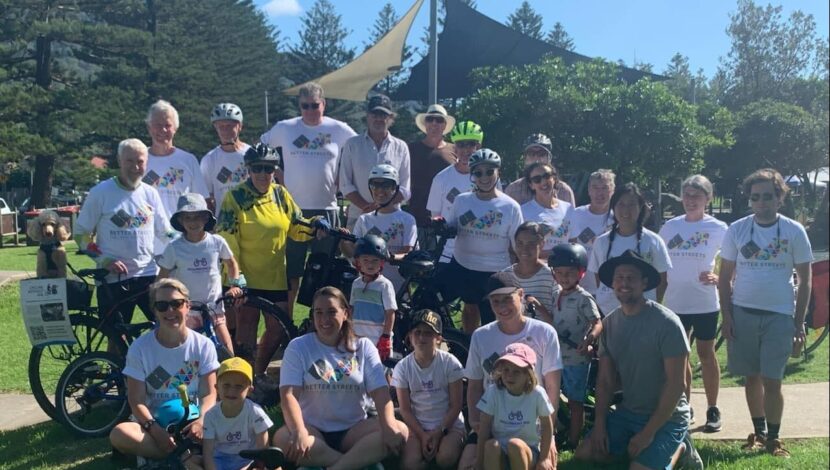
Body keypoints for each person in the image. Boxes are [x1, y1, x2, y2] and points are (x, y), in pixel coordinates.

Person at [574, 250, 702, 470]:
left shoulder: (667, 323)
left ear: (644, 283)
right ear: (612, 283)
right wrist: (600, 425)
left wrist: (648, 433)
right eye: (619, 278)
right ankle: (641, 453)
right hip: (629, 412)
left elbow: (677, 384)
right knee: (584, 454)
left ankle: (681, 449)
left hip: (668, 417)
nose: (624, 283)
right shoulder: (610, 324)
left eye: (631, 278)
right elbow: (605, 381)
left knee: (639, 469)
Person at [718, 168, 813, 457]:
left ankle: (774, 438)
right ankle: (758, 433)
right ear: (749, 199)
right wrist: (727, 316)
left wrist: (799, 323)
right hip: (743, 313)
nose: (761, 203)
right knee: (751, 377)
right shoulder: (737, 230)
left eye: (768, 197)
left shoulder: (794, 231)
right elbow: (725, 278)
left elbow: (805, 280)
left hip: (780, 315)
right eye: (755, 197)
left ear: (779, 198)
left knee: (773, 380)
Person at [272, 286, 408, 469]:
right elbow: (288, 395)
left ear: (346, 313)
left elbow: (381, 393)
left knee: (400, 430)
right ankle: (355, 461)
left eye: (331, 312)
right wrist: (299, 431)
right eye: (319, 312)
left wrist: (389, 425)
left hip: (353, 431)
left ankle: (335, 466)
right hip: (312, 430)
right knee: (282, 438)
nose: (324, 319)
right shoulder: (298, 347)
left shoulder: (363, 346)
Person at [215, 143, 316, 375]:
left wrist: (315, 226)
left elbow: (297, 226)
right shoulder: (236, 197)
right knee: (247, 327)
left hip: (274, 275)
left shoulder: (280, 194)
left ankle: (258, 373)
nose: (263, 174)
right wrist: (236, 276)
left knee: (278, 328)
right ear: (248, 169)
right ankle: (244, 378)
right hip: (245, 276)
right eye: (257, 168)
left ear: (274, 170)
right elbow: (227, 238)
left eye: (268, 168)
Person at [259, 82, 357, 318]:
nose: (310, 111)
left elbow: (358, 149)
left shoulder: (339, 129)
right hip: (293, 211)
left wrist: (343, 178)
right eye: (305, 106)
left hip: (327, 209)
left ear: (324, 104)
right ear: (299, 106)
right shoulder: (285, 128)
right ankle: (287, 322)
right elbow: (261, 148)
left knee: (325, 272)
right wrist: (277, 175)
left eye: (315, 105)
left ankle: (320, 322)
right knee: (291, 272)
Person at [110, 278, 220, 467]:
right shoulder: (140, 348)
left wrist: (201, 421)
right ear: (154, 311)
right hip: (155, 424)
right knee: (119, 434)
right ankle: (187, 458)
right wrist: (154, 430)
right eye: (162, 306)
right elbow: (136, 400)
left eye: (176, 304)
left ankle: (171, 457)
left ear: (187, 306)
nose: (170, 311)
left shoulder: (203, 345)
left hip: (193, 422)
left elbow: (209, 394)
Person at [458, 272, 562, 470]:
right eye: (495, 302)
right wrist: (475, 421)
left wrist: (549, 437)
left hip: (531, 422)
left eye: (507, 299)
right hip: (491, 420)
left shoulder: (545, 332)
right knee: (466, 466)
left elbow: (552, 387)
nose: (502, 307)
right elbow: (474, 385)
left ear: (520, 294)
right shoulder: (481, 335)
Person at [75, 138, 173, 325]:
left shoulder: (150, 193)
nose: (135, 167)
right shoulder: (100, 192)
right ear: (120, 161)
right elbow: (80, 234)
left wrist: (188, 241)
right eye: (129, 161)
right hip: (113, 278)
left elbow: (165, 231)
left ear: (146, 163)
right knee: (116, 336)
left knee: (165, 328)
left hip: (148, 275)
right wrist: (105, 260)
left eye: (140, 162)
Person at [659, 175, 728, 432]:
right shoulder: (670, 227)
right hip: (675, 302)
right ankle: (684, 406)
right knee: (680, 357)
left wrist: (720, 278)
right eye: (687, 195)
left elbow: (734, 261)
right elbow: (658, 260)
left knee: (706, 354)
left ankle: (713, 408)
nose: (690, 200)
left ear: (708, 199)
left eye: (696, 196)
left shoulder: (719, 228)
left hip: (705, 302)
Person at [443, 149, 523, 333]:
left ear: (498, 172)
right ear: (472, 175)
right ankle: (468, 344)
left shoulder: (511, 207)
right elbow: (450, 227)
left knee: (493, 316)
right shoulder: (461, 201)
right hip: (464, 265)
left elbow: (517, 245)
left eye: (489, 171)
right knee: (470, 308)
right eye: (478, 173)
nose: (484, 177)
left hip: (495, 269)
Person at [157, 193, 244, 355]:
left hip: (213, 307)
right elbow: (162, 277)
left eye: (197, 217)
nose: (193, 222)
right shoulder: (174, 247)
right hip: (185, 310)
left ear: (205, 218)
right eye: (188, 218)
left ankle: (229, 368)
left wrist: (235, 284)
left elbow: (231, 263)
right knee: (187, 352)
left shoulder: (217, 242)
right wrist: (166, 299)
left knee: (227, 350)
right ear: (180, 221)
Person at [393, 309, 466, 469]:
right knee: (410, 464)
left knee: (445, 458)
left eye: (428, 333)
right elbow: (405, 409)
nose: (421, 338)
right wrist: (422, 435)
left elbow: (456, 406)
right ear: (410, 336)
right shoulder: (402, 368)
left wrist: (439, 432)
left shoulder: (450, 363)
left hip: (449, 425)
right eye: (417, 332)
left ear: (438, 338)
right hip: (417, 426)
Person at [548, 243, 602, 450]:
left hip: (576, 358)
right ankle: (554, 435)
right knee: (553, 397)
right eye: (559, 272)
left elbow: (597, 323)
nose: (564, 277)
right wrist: (537, 306)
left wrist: (589, 340)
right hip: (557, 357)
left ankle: (573, 440)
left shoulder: (583, 298)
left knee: (575, 402)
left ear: (580, 273)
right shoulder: (556, 294)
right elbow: (552, 321)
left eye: (570, 273)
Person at [587, 183, 671, 315]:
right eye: (621, 204)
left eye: (631, 204)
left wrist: (653, 308)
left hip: (642, 313)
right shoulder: (601, 242)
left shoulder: (653, 241)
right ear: (613, 207)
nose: (626, 210)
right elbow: (600, 278)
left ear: (640, 207)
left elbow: (662, 281)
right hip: (608, 313)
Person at [476, 343, 555, 470]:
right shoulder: (493, 392)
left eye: (516, 371)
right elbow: (484, 427)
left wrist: (544, 459)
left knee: (515, 445)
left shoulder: (537, 393)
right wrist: (479, 463)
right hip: (501, 451)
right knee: (491, 445)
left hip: (528, 450)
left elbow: (546, 425)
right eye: (506, 370)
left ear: (528, 374)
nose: (509, 375)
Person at [144, 100, 209, 254]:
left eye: (168, 125)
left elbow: (201, 204)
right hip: (146, 246)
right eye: (157, 125)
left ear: (175, 128)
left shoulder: (188, 160)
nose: (163, 130)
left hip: (183, 246)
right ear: (149, 127)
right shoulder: (139, 160)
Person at [339, 94, 411, 230]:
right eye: (374, 114)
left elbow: (404, 189)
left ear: (390, 118)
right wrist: (367, 208)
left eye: (383, 115)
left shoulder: (401, 147)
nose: (378, 119)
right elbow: (345, 184)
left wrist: (382, 207)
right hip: (358, 217)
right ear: (367, 116)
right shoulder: (352, 145)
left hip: (392, 220)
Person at [342, 164, 417, 292]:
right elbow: (353, 253)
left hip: (397, 285)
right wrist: (343, 241)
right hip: (367, 285)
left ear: (395, 188)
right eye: (375, 185)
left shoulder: (407, 220)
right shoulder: (364, 219)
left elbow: (408, 252)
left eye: (386, 185)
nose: (380, 190)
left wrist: (390, 257)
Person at [202, 357, 274, 470]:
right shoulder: (210, 416)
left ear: (249, 390)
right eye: (226, 385)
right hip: (220, 459)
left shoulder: (255, 412)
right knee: (192, 461)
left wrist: (258, 465)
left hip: (248, 459)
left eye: (239, 386)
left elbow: (263, 450)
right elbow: (208, 453)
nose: (232, 391)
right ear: (217, 388)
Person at [426, 120, 482, 263]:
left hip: (479, 253)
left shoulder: (487, 178)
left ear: (478, 147)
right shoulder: (441, 179)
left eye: (471, 144)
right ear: (455, 147)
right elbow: (435, 216)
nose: (466, 150)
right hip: (448, 253)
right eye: (461, 144)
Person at [408, 104, 457, 249]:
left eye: (439, 120)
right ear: (425, 124)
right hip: (418, 220)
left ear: (445, 125)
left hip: (448, 223)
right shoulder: (411, 149)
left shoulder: (455, 150)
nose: (434, 123)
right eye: (430, 119)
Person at [347, 235, 398, 362]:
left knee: (379, 370)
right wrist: (348, 330)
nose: (370, 264)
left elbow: (390, 312)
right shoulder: (356, 284)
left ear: (382, 262)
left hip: (378, 339)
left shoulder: (384, 285)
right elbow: (352, 308)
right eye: (365, 260)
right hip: (357, 337)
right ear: (358, 262)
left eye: (375, 260)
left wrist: (386, 336)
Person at [568, 169, 615, 294]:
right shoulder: (576, 214)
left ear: (612, 190)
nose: (600, 193)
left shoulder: (617, 218)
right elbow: (570, 246)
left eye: (604, 188)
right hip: (581, 286)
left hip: (609, 287)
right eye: (595, 188)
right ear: (589, 190)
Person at [503, 221, 559, 324]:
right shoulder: (505, 276)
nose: (524, 249)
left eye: (531, 244)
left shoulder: (552, 276)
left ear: (541, 244)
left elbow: (559, 321)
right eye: (520, 243)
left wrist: (539, 307)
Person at [200, 103, 250, 217]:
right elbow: (207, 198)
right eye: (221, 126)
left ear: (240, 126)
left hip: (251, 219)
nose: (225, 130)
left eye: (229, 125)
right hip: (224, 221)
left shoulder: (251, 154)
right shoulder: (209, 160)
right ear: (215, 128)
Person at [520, 162, 575, 258]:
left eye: (546, 176)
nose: (543, 182)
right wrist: (554, 254)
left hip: (564, 266)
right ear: (531, 185)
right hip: (536, 266)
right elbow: (521, 248)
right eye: (537, 179)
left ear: (554, 178)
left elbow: (573, 241)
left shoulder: (568, 208)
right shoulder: (523, 211)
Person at [504, 134, 574, 206]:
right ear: (525, 159)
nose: (536, 158)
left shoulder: (564, 191)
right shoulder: (513, 191)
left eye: (541, 154)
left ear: (549, 159)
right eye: (531, 154)